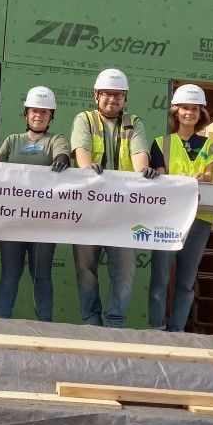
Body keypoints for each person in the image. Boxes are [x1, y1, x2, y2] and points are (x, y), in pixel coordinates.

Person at [70, 68, 157, 328]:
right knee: (86, 268)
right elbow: (82, 153)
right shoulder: (84, 119)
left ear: (125, 98)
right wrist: (87, 168)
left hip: (123, 210)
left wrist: (144, 170)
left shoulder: (134, 122)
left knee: (124, 271)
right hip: (90, 208)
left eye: (118, 95)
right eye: (107, 94)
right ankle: (91, 320)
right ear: (97, 96)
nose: (113, 99)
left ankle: (115, 320)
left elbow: (140, 155)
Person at [147, 84, 213, 332]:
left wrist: (188, 178)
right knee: (160, 278)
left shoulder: (210, 145)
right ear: (175, 112)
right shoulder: (161, 143)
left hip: (199, 218)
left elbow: (209, 176)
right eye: (185, 108)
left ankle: (177, 330)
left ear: (201, 113)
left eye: (194, 109)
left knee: (186, 281)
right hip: (167, 217)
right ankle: (157, 328)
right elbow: (161, 176)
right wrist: (191, 178)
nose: (189, 113)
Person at [0, 86, 71, 322]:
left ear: (51, 116)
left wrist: (62, 158)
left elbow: (63, 154)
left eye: (44, 112)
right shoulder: (12, 141)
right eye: (34, 111)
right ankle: (2, 321)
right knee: (10, 273)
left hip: (44, 224)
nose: (38, 115)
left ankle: (45, 324)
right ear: (26, 114)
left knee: (41, 275)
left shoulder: (56, 140)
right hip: (12, 221)